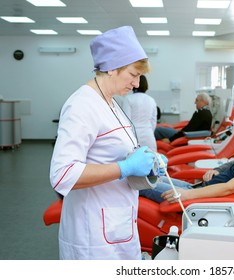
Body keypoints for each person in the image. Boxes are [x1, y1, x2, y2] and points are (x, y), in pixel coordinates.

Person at [49, 26, 166, 260]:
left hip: (117, 224)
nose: (136, 83)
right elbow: (62, 174)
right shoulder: (82, 105)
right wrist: (125, 168)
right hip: (93, 234)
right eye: (133, 74)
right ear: (112, 68)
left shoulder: (110, 102)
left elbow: (110, 152)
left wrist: (147, 162)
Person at [140, 116, 234, 203]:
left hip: (199, 198)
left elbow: (229, 188)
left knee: (141, 185)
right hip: (199, 189)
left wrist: (188, 195)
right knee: (153, 177)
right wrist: (217, 170)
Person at [121, 75, 157, 151]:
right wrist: (149, 130)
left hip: (133, 135)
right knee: (151, 160)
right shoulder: (151, 100)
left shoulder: (128, 99)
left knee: (134, 160)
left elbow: (126, 121)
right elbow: (153, 121)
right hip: (149, 134)